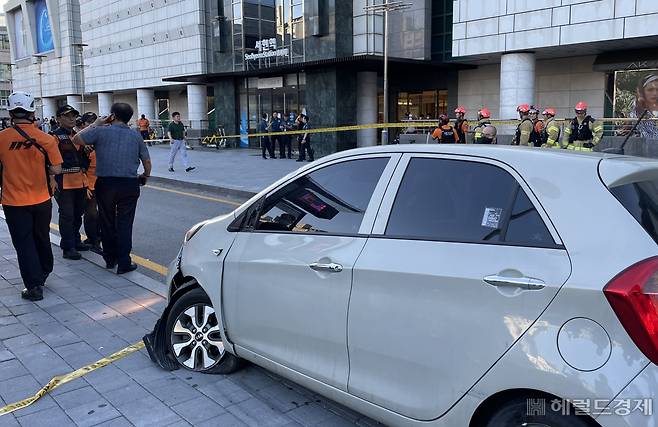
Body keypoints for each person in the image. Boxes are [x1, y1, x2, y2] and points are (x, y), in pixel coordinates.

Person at [72, 103, 151, 274]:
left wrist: (96, 124)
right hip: (129, 184)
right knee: (125, 222)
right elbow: (146, 161)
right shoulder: (136, 135)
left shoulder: (100, 131)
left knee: (106, 220)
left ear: (112, 116)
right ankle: (124, 262)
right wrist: (145, 175)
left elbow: (76, 139)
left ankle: (109, 258)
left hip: (106, 184)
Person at [0, 92, 63, 301]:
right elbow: (56, 170)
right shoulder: (46, 139)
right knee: (41, 236)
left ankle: (34, 286)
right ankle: (44, 270)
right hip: (42, 199)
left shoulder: (1, 138)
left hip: (13, 201)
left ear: (10, 112)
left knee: (24, 242)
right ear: (32, 112)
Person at [53, 105, 91, 260]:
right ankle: (68, 246)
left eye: (73, 116)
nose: (71, 119)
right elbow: (50, 162)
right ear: (58, 118)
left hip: (80, 181)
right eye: (67, 116)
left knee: (77, 214)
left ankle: (75, 240)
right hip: (64, 182)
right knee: (67, 215)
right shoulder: (54, 137)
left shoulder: (78, 135)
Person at [78, 112, 102, 253]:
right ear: (83, 125)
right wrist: (85, 185)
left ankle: (97, 238)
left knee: (103, 214)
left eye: (95, 121)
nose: (93, 125)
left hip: (104, 183)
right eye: (89, 123)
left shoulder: (102, 138)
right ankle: (93, 241)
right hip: (89, 184)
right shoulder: (80, 142)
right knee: (91, 214)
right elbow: (78, 166)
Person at [631, 74, 658, 139]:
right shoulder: (636, 112)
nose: (655, 93)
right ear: (642, 91)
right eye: (650, 90)